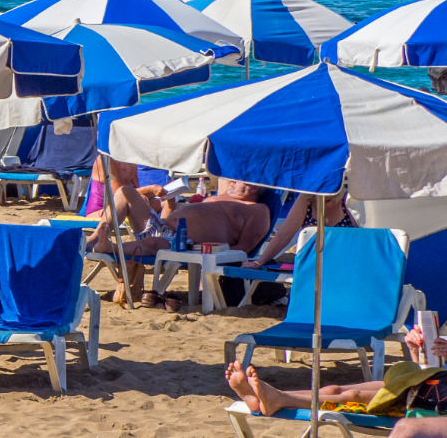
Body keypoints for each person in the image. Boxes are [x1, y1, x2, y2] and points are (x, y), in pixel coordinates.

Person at [91, 179, 271, 308]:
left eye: (238, 181)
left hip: (187, 244)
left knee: (154, 242)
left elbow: (244, 249)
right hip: (163, 226)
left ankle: (110, 248)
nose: (232, 182)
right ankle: (94, 239)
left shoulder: (257, 210)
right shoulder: (222, 196)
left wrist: (212, 251)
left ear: (253, 186)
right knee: (125, 192)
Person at [228, 329, 447, 417]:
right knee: (335, 389)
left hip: (423, 403)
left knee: (353, 398)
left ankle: (281, 399)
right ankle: (262, 397)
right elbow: (430, 372)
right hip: (423, 385)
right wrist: (416, 350)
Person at [242, 190, 357, 270]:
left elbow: (363, 238)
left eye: (329, 200)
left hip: (346, 260)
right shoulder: (305, 200)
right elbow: (284, 235)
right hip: (313, 262)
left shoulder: (348, 200)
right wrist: (259, 262)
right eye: (317, 198)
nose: (323, 204)